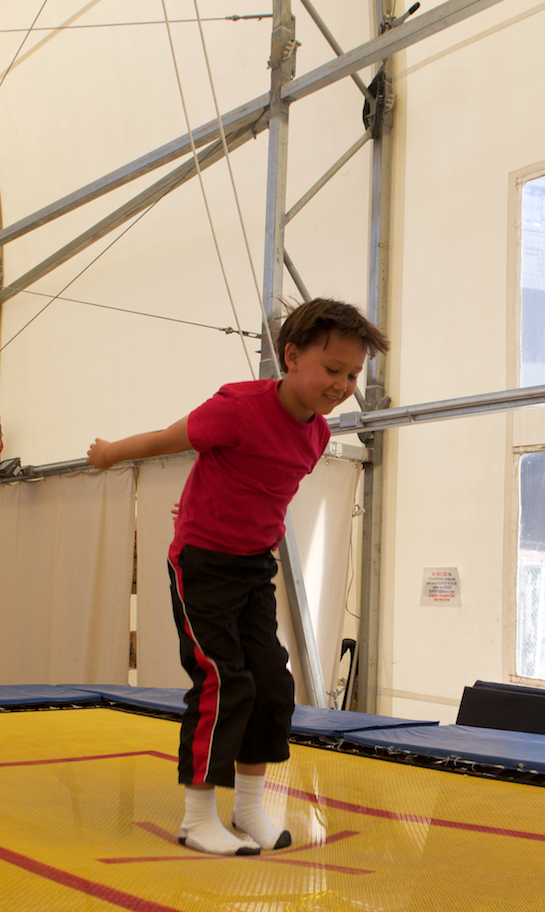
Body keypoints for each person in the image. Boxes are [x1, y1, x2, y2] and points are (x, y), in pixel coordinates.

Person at [87, 298, 389, 856]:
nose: (342, 385)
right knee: (222, 680)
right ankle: (197, 817)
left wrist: (210, 505)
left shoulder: (317, 436)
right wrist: (109, 454)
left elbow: (262, 488)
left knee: (272, 684)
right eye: (332, 369)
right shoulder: (238, 407)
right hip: (203, 564)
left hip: (253, 566)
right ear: (291, 357)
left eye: (352, 375)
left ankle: (248, 806)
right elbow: (167, 439)